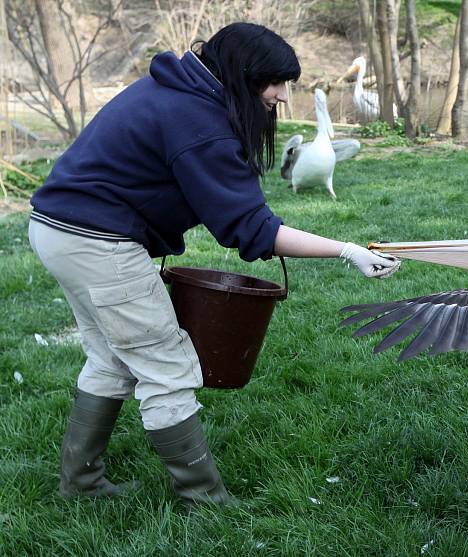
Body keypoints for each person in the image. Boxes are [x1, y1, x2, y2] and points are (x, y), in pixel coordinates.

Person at [27, 22, 399, 507]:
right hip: (97, 241)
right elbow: (252, 228)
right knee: (165, 366)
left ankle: (81, 485)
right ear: (243, 75)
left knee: (110, 356)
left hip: (56, 228)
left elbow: (229, 207)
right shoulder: (197, 120)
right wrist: (347, 250)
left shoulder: (180, 89)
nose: (283, 97)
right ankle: (204, 500)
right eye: (275, 83)